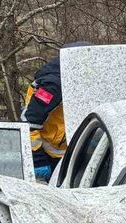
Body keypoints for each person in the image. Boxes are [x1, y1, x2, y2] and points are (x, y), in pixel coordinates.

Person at [21, 42, 90, 181]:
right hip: (49, 154)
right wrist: (37, 159)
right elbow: (29, 123)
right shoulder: (53, 86)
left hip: (71, 150)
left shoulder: (82, 81)